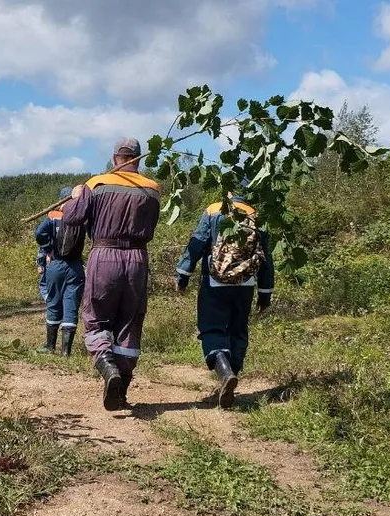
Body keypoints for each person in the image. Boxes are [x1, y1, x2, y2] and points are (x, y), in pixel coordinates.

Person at [61, 138, 160, 410]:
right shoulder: (153, 190)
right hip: (138, 260)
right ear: (138, 158)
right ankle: (121, 390)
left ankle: (107, 367)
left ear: (115, 156)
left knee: (97, 318)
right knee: (130, 321)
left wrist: (76, 195)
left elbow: (71, 218)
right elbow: (152, 224)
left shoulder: (96, 184)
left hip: (104, 256)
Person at [174, 187, 275, 408]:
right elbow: (266, 259)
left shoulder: (214, 210)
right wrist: (265, 293)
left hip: (215, 282)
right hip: (245, 285)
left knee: (211, 328)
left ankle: (224, 370)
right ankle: (232, 374)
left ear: (229, 190)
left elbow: (197, 243)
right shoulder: (257, 215)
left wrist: (183, 275)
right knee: (238, 329)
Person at [34, 187, 87, 357]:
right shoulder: (83, 218)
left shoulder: (53, 218)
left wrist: (48, 249)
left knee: (53, 302)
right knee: (71, 306)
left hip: (56, 265)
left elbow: (39, 233)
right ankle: (66, 351)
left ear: (61, 201)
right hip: (76, 267)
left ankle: (50, 346)